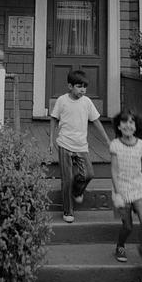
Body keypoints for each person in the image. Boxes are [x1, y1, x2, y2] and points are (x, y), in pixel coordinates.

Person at [49, 70, 110, 223]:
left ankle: (77, 191)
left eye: (84, 87)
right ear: (70, 86)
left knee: (88, 174)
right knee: (67, 179)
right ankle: (68, 211)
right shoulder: (62, 101)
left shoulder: (87, 102)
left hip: (81, 146)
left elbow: (96, 121)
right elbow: (53, 119)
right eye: (79, 86)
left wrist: (107, 141)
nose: (82, 90)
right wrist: (51, 140)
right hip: (64, 144)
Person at [109, 109, 142, 263]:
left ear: (135, 125)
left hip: (138, 188)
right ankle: (120, 246)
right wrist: (117, 193)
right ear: (119, 126)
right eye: (124, 122)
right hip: (121, 189)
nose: (128, 125)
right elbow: (114, 171)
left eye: (131, 122)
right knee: (128, 227)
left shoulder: (141, 145)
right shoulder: (115, 145)